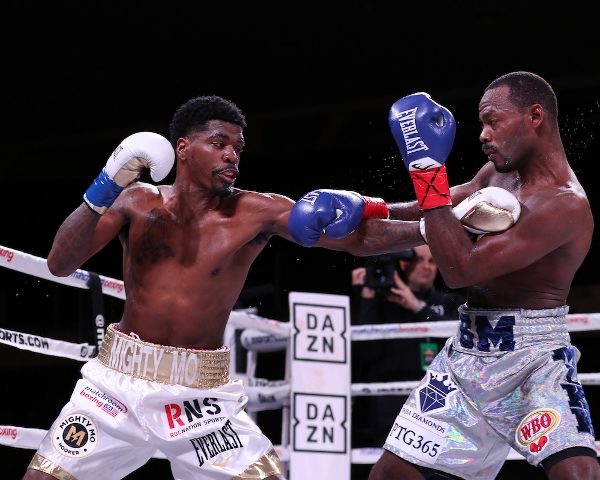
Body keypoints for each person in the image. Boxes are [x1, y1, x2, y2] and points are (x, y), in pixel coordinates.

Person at [24, 95, 404, 480]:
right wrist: (105, 186)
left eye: (238, 148)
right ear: (183, 148)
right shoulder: (136, 201)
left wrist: (430, 222)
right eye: (219, 143)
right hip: (116, 387)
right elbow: (60, 263)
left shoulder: (256, 211)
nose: (232, 156)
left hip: (200, 397)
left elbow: (355, 237)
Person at [289, 72, 599, 480]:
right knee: (389, 477)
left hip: (533, 362)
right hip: (467, 356)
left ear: (535, 116)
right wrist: (370, 207)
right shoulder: (498, 176)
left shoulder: (564, 205)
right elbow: (435, 209)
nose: (483, 135)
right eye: (482, 123)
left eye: (493, 121)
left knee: (577, 475)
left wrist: (425, 167)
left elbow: (460, 269)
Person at [351, 245, 465, 447]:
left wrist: (417, 307)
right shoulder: (382, 302)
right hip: (389, 403)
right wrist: (368, 297)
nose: (426, 267)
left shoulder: (450, 302)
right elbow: (368, 354)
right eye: (419, 260)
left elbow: (462, 340)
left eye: (432, 261)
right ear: (403, 263)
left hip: (439, 400)